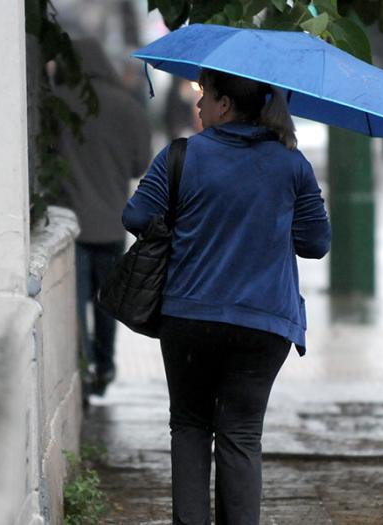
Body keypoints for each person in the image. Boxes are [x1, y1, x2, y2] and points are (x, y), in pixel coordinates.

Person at [122, 69, 331, 525]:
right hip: (264, 323)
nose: (197, 105)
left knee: (191, 425)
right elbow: (316, 243)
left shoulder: (181, 156)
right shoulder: (293, 164)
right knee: (240, 435)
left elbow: (136, 214)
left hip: (189, 316)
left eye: (205, 94)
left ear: (225, 105)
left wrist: (188, 224)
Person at [55, 38, 152, 397]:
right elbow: (141, 164)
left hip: (73, 226)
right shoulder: (127, 107)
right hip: (113, 223)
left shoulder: (60, 105)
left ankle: (82, 368)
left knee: (76, 303)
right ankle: (105, 365)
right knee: (108, 301)